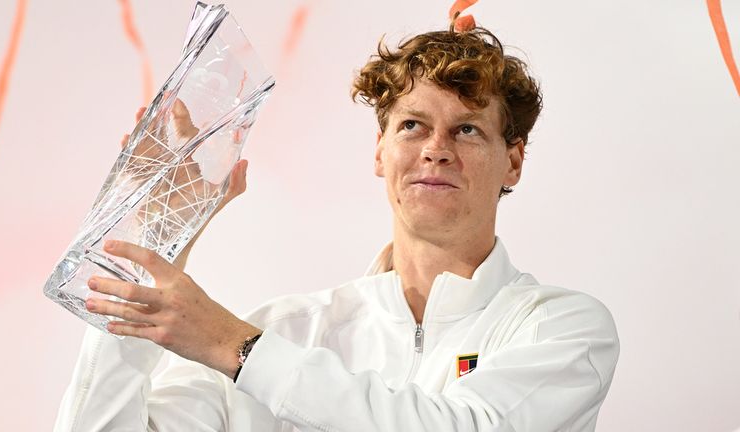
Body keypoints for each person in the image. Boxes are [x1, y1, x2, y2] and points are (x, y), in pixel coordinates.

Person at [55, 24, 619, 432]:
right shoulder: (288, 328)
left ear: (513, 161)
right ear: (380, 151)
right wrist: (159, 230)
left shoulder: (559, 328)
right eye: (413, 125)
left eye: (467, 130)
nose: (436, 151)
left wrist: (234, 345)